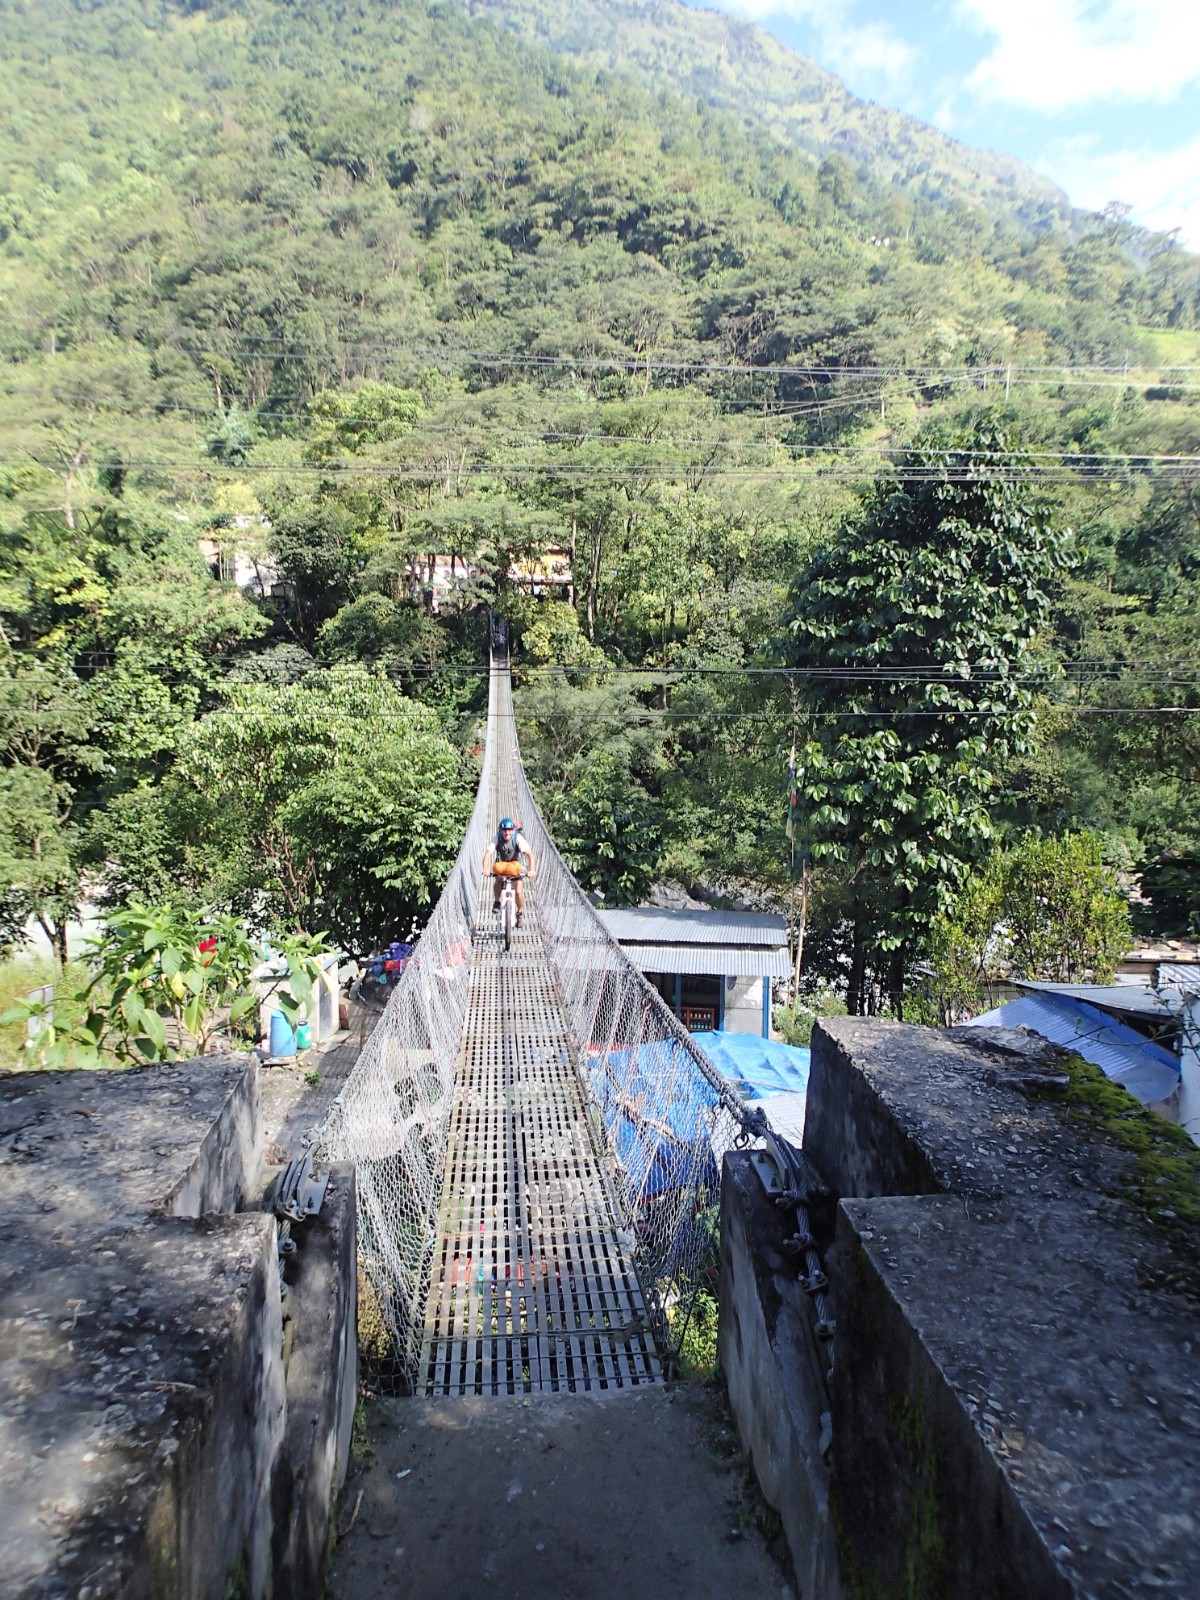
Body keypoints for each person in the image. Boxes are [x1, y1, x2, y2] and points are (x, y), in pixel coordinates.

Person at [482, 816, 536, 925]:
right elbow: (488, 853)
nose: (507, 833)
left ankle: (519, 913)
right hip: (502, 865)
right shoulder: (497, 838)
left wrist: (532, 870)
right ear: (501, 831)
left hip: (515, 866)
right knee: (498, 880)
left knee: (519, 891)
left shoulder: (518, 838)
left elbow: (530, 855)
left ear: (513, 830)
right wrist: (485, 869)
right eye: (504, 830)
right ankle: (497, 902)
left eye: (509, 830)